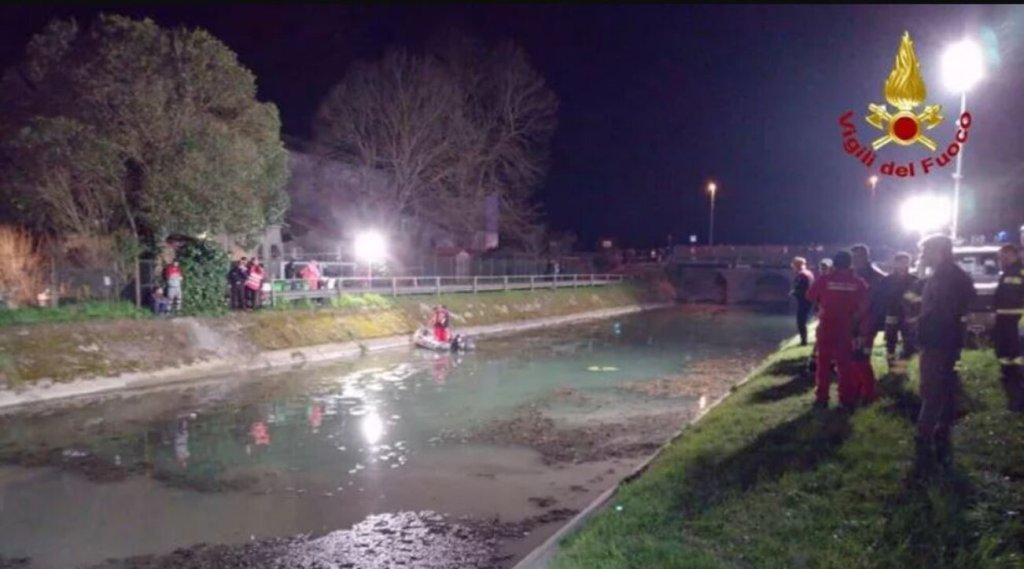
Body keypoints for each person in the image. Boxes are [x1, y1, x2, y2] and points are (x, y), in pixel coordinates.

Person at [914, 234, 975, 473]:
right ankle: (941, 431)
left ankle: (926, 433)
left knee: (932, 388)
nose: (922, 256)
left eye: (925, 251)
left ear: (938, 252)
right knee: (946, 385)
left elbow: (941, 313)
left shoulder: (945, 278)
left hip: (938, 342)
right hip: (947, 342)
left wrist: (925, 331)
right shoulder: (950, 275)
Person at [805, 250, 869, 410]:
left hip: (826, 325)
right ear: (850, 264)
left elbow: (810, 296)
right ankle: (845, 397)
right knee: (844, 363)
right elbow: (865, 305)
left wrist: (825, 300)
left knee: (823, 363)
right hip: (846, 327)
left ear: (834, 264)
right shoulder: (858, 282)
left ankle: (822, 397)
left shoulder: (825, 279)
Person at [850, 244, 888, 404]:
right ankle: (857, 389)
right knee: (853, 357)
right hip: (852, 323)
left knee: (861, 357)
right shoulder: (852, 274)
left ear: (866, 256)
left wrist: (870, 323)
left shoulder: (877, 277)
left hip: (866, 325)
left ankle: (868, 393)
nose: (855, 260)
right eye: (853, 257)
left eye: (858, 257)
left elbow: (877, 304)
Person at [994, 244, 1024, 412]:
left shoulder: (1018, 272)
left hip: (1015, 323)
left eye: (1003, 256)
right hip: (1005, 322)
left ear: (1012, 254)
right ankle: (1012, 391)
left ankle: (1018, 397)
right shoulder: (1007, 273)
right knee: (1005, 356)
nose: (1000, 260)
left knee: (1015, 357)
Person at [880, 252, 919, 368]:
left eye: (906, 262)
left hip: (908, 315)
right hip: (892, 313)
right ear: (895, 263)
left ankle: (902, 365)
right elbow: (882, 296)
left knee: (909, 342)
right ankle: (891, 364)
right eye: (901, 262)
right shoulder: (888, 280)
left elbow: (917, 298)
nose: (903, 265)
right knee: (890, 341)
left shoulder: (914, 280)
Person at [790, 257, 815, 346]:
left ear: (796, 265)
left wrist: (794, 292)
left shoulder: (801, 275)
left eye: (793, 265)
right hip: (809, 300)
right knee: (803, 320)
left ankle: (803, 341)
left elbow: (802, 289)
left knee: (801, 321)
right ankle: (804, 340)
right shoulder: (809, 273)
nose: (792, 267)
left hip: (804, 301)